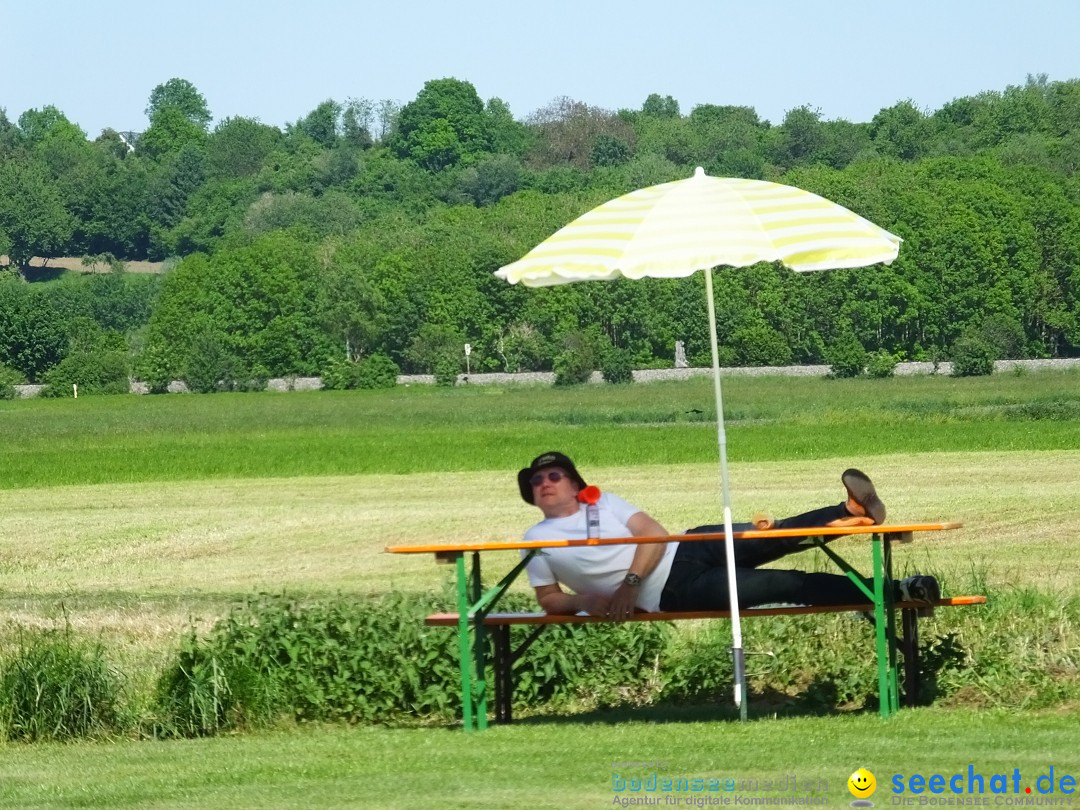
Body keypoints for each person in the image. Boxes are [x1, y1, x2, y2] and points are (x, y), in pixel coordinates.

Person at [516, 451, 941, 620]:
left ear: (575, 484)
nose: (547, 483)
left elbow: (654, 535)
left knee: (774, 535)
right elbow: (548, 599)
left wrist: (627, 583)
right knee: (784, 582)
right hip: (671, 590)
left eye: (556, 476)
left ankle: (850, 510)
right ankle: (896, 592)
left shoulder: (604, 502)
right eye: (538, 481)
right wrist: (584, 601)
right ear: (532, 495)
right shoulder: (537, 537)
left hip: (688, 545)